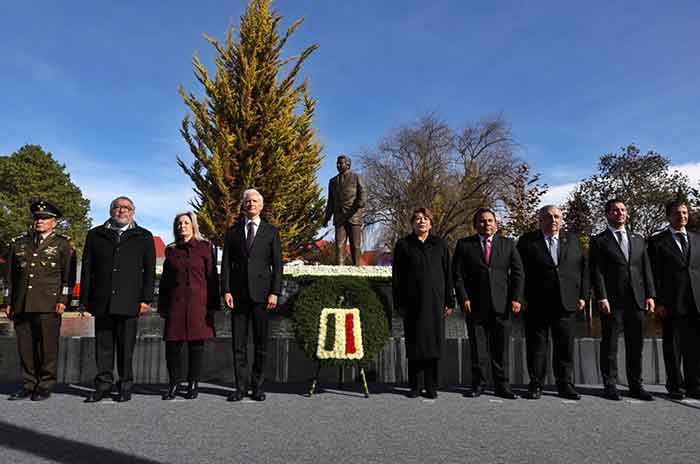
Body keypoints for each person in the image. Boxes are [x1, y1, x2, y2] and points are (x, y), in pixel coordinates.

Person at [80, 196, 156, 403]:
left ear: (133, 212)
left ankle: (125, 385)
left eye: (126, 208)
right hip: (103, 301)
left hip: (130, 302)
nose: (122, 211)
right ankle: (103, 385)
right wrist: (84, 300)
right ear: (110, 210)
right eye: (117, 207)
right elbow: (87, 269)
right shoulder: (95, 235)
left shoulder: (144, 236)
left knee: (126, 348)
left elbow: (149, 271)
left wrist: (146, 299)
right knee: (103, 347)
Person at [4, 200, 76, 401]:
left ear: (54, 222)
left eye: (44, 218)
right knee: (25, 346)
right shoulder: (18, 243)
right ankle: (28, 384)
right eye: (37, 217)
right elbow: (9, 277)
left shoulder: (63, 244)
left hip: (48, 303)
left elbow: (67, 276)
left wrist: (64, 298)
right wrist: (8, 301)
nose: (40, 221)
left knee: (47, 346)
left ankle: (45, 384)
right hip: (21, 303)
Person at [517, 205, 589, 400]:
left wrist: (583, 295)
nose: (553, 220)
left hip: (567, 302)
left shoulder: (573, 240)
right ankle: (536, 384)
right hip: (536, 302)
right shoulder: (526, 241)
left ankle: (565, 384)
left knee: (564, 346)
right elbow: (518, 272)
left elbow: (584, 270)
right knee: (536, 346)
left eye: (557, 216)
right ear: (540, 220)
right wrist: (520, 297)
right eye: (548, 217)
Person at [452, 207, 524, 399]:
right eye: (482, 221)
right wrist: (464, 298)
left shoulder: (508, 244)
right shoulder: (464, 245)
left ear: (496, 223)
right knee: (478, 349)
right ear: (476, 225)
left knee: (501, 349)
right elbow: (457, 275)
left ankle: (502, 385)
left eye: (490, 220)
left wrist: (516, 298)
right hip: (475, 306)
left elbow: (518, 273)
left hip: (503, 305)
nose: (487, 224)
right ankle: (479, 384)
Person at [590, 199, 655, 401]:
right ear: (607, 214)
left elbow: (646, 268)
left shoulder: (638, 238)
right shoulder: (599, 240)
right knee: (609, 344)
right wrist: (601, 296)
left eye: (622, 210)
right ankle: (610, 384)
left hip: (637, 299)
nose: (620, 213)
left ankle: (636, 385)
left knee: (636, 345)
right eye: (615, 210)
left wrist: (651, 295)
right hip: (612, 301)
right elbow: (597, 271)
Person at [221, 189, 282, 402]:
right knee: (238, 345)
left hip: (263, 297)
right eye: (247, 201)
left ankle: (257, 387)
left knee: (261, 345)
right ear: (243, 205)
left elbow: (278, 266)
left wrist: (275, 292)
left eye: (255, 201)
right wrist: (226, 290)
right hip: (238, 296)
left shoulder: (271, 232)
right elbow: (226, 264)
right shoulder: (232, 232)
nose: (251, 204)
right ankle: (240, 387)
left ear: (261, 206)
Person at [392, 207, 454, 399]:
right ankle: (415, 386)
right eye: (417, 218)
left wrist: (449, 301)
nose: (421, 221)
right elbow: (397, 277)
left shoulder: (440, 244)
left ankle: (431, 385)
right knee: (415, 345)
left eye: (425, 218)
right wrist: (399, 303)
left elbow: (448, 273)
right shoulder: (403, 245)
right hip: (412, 303)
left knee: (433, 345)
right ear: (412, 223)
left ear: (431, 223)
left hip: (435, 303)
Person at [158, 212, 219, 400]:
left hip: (198, 304)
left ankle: (193, 383)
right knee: (172, 346)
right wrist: (162, 306)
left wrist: (213, 305)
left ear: (193, 226)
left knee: (196, 346)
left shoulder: (205, 247)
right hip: (175, 303)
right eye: (179, 223)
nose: (182, 226)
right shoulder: (171, 250)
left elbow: (212, 278)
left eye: (186, 223)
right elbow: (165, 282)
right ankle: (174, 383)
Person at [648, 200, 700, 400]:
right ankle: (675, 385)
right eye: (678, 213)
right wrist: (658, 301)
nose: (682, 217)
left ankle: (694, 385)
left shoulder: (697, 239)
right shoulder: (657, 241)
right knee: (673, 347)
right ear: (669, 216)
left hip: (696, 302)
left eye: (685, 213)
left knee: (695, 346)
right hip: (670, 303)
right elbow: (653, 273)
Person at [324, 155, 367, 265]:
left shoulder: (356, 177)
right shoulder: (333, 181)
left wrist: (361, 202)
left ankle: (357, 268)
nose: (338, 165)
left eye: (340, 163)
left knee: (355, 245)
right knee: (339, 245)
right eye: (337, 163)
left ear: (347, 164)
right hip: (339, 217)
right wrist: (327, 217)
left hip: (354, 215)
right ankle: (340, 270)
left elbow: (363, 192)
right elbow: (331, 201)